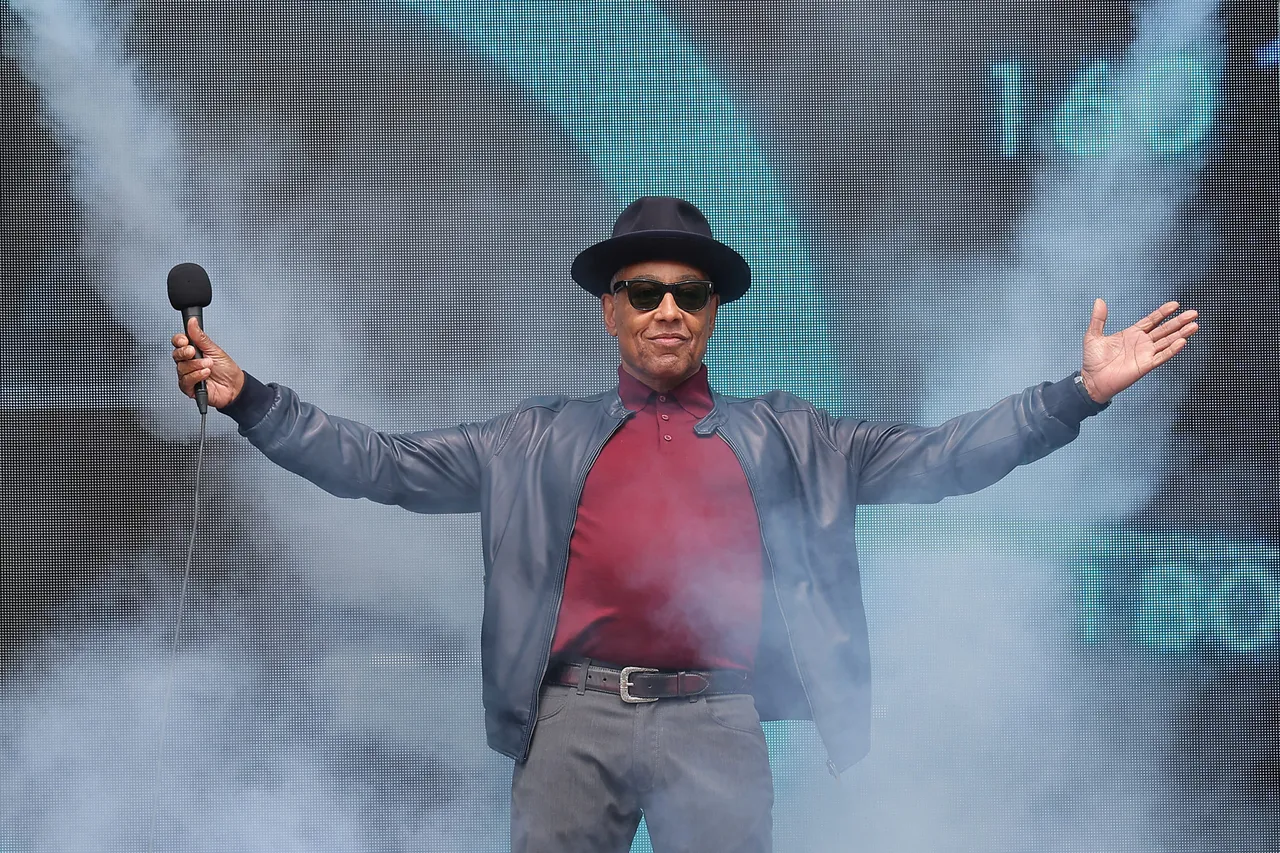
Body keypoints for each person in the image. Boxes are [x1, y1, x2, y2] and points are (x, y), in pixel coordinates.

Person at [171, 196, 1198, 852]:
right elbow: (380, 467)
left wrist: (1075, 393)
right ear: (609, 311)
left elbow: (942, 458)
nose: (668, 307)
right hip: (569, 719)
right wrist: (254, 397)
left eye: (689, 292)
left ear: (712, 314)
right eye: (644, 290)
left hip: (715, 719)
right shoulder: (533, 437)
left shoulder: (790, 435)